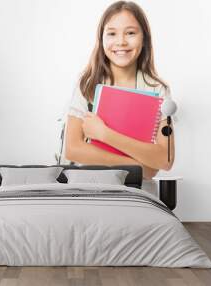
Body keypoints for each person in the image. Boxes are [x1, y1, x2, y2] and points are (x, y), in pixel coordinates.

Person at [62, 1, 175, 184]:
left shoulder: (157, 89)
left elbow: (165, 159)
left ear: (144, 38)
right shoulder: (87, 85)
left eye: (130, 33)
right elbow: (73, 149)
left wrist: (104, 134)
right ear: (101, 39)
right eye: (112, 33)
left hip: (137, 190)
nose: (121, 41)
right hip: (89, 187)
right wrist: (139, 167)